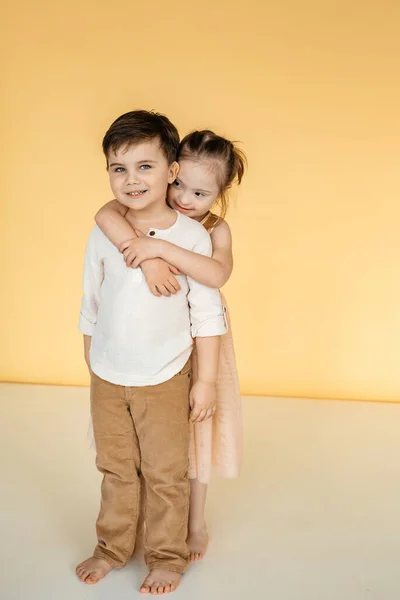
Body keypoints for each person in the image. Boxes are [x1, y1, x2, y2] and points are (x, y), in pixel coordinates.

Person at [76, 110, 227, 595]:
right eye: (118, 169)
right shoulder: (106, 228)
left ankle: (166, 556)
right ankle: (111, 547)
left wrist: (203, 381)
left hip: (164, 376)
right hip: (109, 373)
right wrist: (91, 357)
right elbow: (91, 297)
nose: (131, 180)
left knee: (165, 474)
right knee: (116, 468)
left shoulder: (194, 237)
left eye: (145, 166)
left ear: (172, 171)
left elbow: (207, 313)